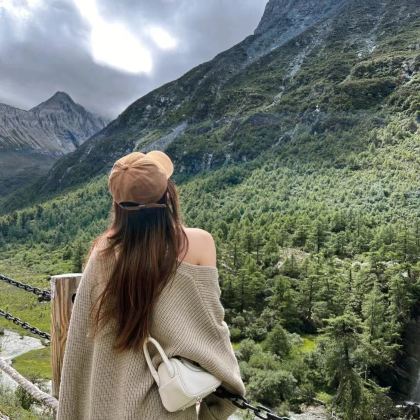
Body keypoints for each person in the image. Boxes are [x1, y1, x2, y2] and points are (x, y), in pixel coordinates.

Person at [56, 150, 245, 419]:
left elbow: (80, 348)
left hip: (105, 407)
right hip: (165, 410)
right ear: (168, 194)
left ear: (118, 206)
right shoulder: (199, 244)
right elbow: (212, 331)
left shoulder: (102, 254)